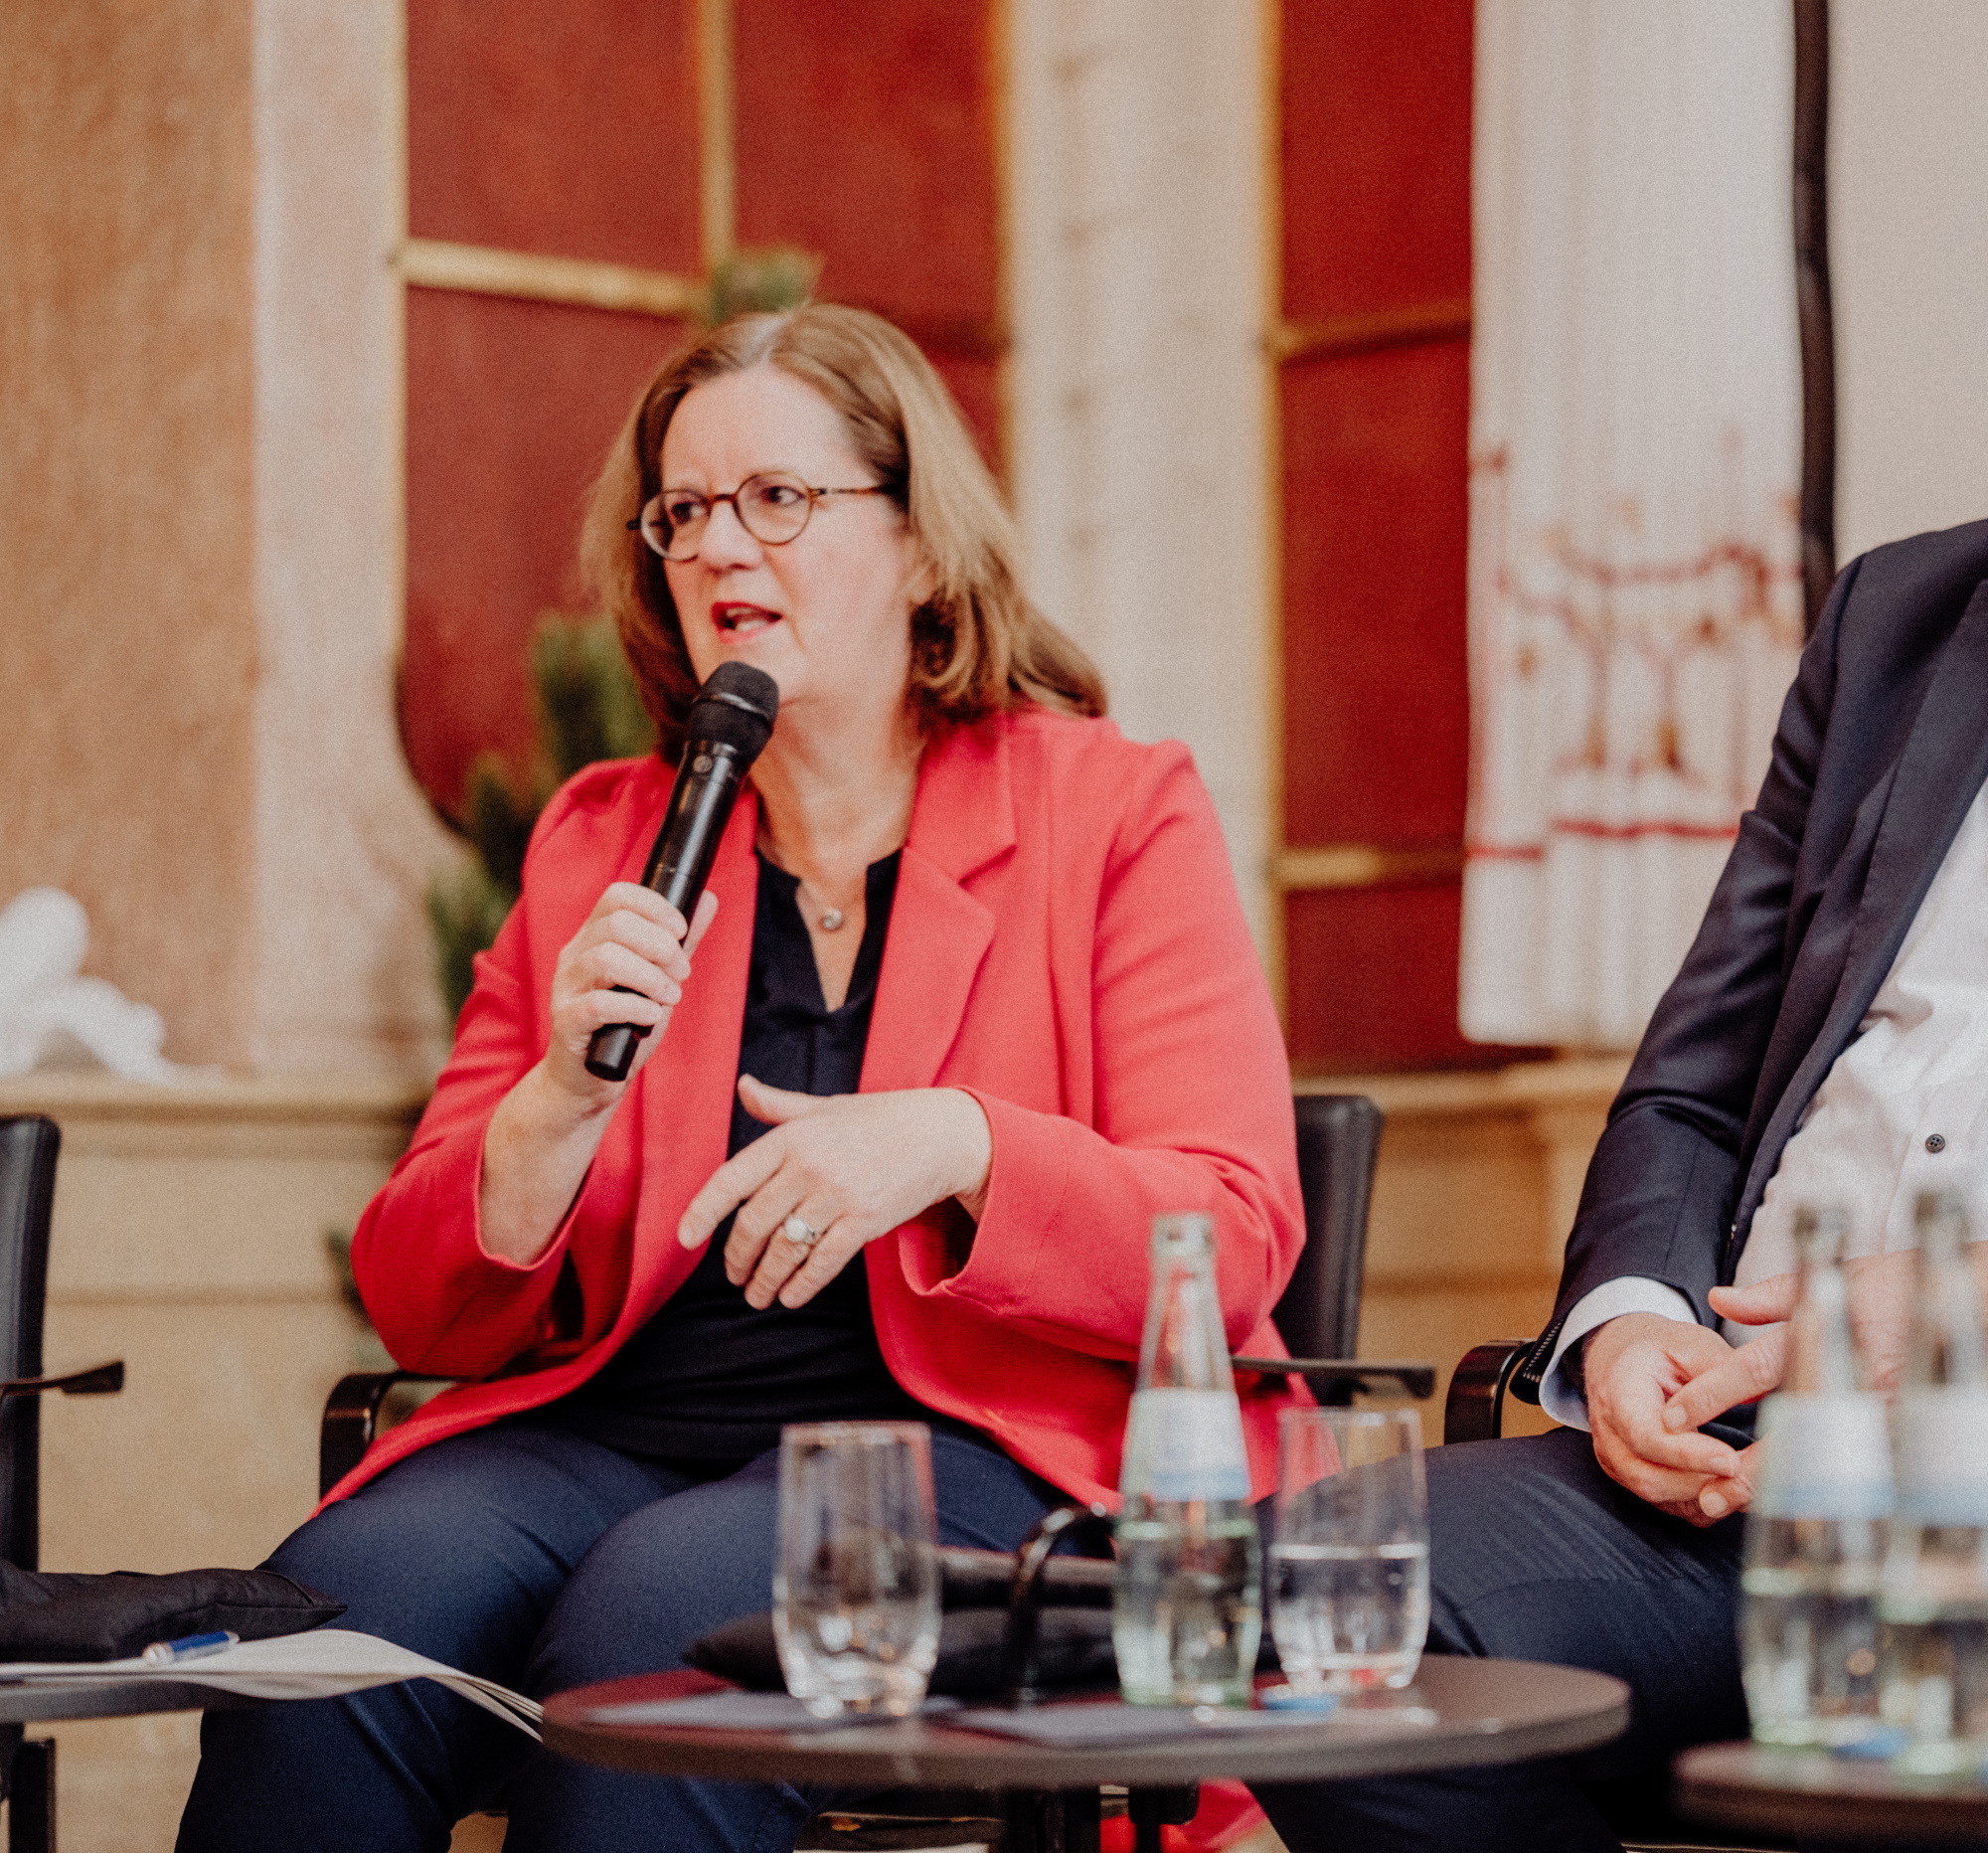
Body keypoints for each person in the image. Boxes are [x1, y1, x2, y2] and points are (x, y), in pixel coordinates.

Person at [177, 304, 1305, 1851]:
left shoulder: (1108, 814)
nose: (720, 550)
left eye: (780, 500)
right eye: (684, 513)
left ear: (918, 543)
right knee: (329, 1634)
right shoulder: (605, 833)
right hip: (613, 1433)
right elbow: (422, 1302)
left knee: (659, 1634)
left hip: (975, 1454)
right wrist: (555, 1101)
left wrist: (958, 1144)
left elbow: (1229, 1236)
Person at [1255, 517, 1988, 1852]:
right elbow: (1689, 1090)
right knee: (1319, 1599)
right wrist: (1631, 1319)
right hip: (1740, 1477)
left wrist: (1958, 1308)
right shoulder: (1901, 614)